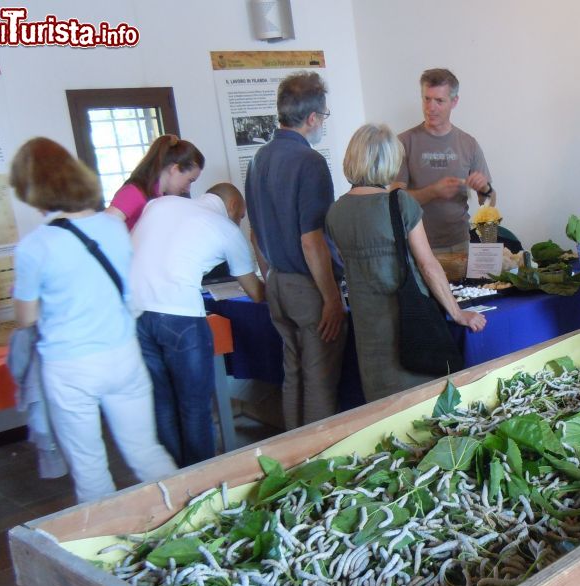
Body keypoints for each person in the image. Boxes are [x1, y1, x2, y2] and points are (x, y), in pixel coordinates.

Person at [9, 137, 176, 503]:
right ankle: (193, 519)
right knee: (146, 452)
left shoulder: (33, 247)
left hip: (70, 366)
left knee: (90, 470)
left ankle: (109, 550)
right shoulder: (113, 228)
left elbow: (26, 318)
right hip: (123, 353)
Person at [327, 124, 487, 402]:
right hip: (408, 325)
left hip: (367, 331)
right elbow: (428, 265)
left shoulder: (336, 211)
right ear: (390, 160)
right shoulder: (399, 203)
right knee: (421, 409)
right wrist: (458, 313)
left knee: (382, 412)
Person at [130, 183, 264, 467]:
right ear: (232, 208)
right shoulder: (225, 228)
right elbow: (256, 293)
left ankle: (173, 474)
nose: (238, 221)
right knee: (195, 405)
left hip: (135, 314)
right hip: (180, 316)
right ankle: (200, 476)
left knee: (162, 401)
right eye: (240, 216)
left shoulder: (160, 204)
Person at [245, 71, 346, 430]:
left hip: (277, 282)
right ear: (313, 118)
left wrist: (270, 275)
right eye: (324, 117)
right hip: (308, 286)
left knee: (293, 377)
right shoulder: (311, 162)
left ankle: (291, 460)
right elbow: (312, 239)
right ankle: (318, 465)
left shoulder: (258, 160)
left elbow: (255, 234)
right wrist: (332, 298)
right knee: (319, 380)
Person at [392, 68, 495, 255]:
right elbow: (395, 200)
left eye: (439, 101)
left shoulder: (468, 143)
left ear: (454, 101)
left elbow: (489, 202)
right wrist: (432, 192)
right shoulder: (403, 142)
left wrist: (485, 189)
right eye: (426, 99)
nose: (430, 107)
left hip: (460, 244)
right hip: (416, 247)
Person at [106, 134, 205, 230]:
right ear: (175, 169)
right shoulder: (134, 192)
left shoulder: (161, 198)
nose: (188, 189)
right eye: (189, 181)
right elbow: (103, 230)